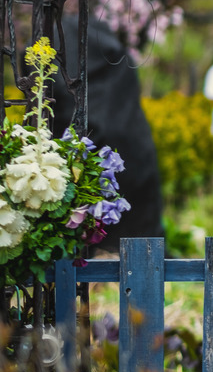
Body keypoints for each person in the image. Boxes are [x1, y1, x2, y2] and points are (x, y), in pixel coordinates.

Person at [51, 15, 165, 250]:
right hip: (134, 155)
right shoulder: (117, 61)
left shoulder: (65, 72)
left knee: (83, 245)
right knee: (138, 249)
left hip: (88, 166)